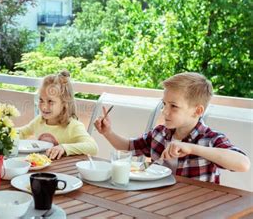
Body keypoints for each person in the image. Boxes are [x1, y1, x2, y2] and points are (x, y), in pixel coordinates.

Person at [94, 72, 250, 183]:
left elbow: (243, 164)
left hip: (197, 209)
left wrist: (191, 148)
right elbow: (129, 146)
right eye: (164, 104)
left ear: (197, 111)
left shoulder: (209, 139)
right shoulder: (159, 134)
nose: (164, 111)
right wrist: (108, 132)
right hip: (160, 203)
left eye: (174, 106)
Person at [18, 70, 98, 160]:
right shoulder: (39, 121)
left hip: (64, 171)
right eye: (41, 100)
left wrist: (64, 148)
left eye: (50, 101)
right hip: (41, 170)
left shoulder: (73, 126)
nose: (44, 106)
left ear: (64, 103)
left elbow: (93, 147)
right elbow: (21, 132)